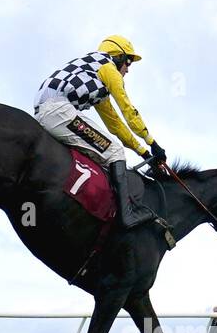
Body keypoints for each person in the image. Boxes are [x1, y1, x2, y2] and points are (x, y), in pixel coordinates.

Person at [33, 35, 166, 227]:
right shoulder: (108, 69)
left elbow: (115, 124)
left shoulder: (94, 72)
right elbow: (128, 111)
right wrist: (152, 143)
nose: (127, 69)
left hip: (48, 112)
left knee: (109, 149)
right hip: (58, 111)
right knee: (115, 152)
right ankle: (126, 217)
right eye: (128, 62)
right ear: (119, 57)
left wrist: (143, 152)